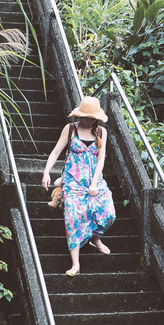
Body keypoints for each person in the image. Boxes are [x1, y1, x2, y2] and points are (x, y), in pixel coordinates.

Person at [41, 96, 115, 276]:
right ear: (79, 116)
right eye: (86, 117)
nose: (88, 120)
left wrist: (94, 183)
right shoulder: (70, 129)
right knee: (73, 217)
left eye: (92, 117)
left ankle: (95, 238)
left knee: (108, 212)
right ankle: (76, 263)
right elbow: (56, 151)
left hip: (93, 180)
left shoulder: (101, 132)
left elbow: (101, 160)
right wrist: (46, 172)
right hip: (72, 181)